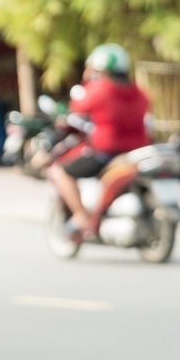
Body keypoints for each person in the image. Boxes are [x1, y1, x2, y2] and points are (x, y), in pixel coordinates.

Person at [48, 44, 152, 236]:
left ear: (101, 70)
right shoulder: (139, 92)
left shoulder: (100, 89)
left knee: (59, 171)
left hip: (106, 151)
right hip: (137, 151)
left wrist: (88, 81)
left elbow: (77, 106)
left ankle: (80, 216)